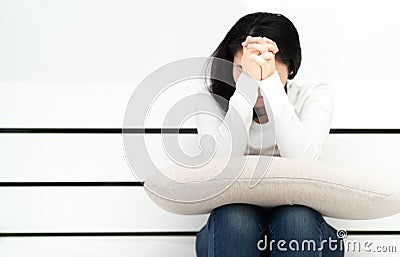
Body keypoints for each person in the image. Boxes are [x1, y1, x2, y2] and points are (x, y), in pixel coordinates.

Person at [195, 12, 344, 257]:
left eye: (267, 68)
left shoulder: (314, 94)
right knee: (235, 219)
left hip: (300, 226)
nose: (255, 76)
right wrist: (246, 90)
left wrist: (272, 85)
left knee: (297, 221)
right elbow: (218, 166)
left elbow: (303, 163)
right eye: (243, 70)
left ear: (291, 67)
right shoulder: (211, 99)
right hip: (230, 231)